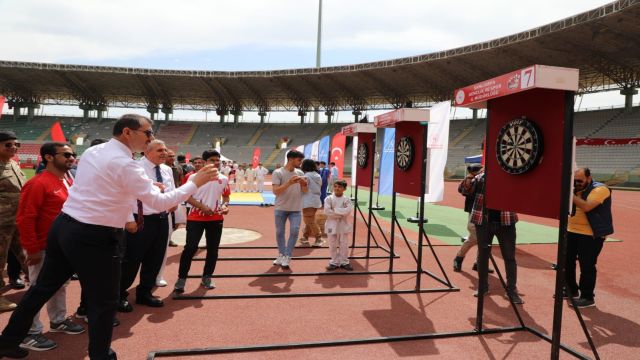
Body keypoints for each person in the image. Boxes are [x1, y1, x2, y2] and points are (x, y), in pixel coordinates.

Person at [0, 114, 218, 360]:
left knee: (42, 288)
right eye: (148, 132)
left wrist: (144, 186)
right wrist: (195, 183)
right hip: (94, 234)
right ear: (128, 132)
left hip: (66, 226)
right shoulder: (126, 163)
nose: (151, 137)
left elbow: (107, 185)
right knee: (104, 301)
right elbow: (158, 203)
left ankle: (7, 341)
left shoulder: (96, 152)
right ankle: (100, 355)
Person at [16, 142, 85, 352]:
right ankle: (30, 331)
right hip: (43, 246)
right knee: (38, 288)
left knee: (60, 286)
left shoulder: (65, 181)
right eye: (66, 154)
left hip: (61, 246)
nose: (71, 158)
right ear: (48, 157)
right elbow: (25, 218)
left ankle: (57, 320)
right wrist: (32, 248)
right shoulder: (38, 183)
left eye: (72, 154)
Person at [118, 140, 176, 313]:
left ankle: (145, 292)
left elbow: (171, 191)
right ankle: (119, 295)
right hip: (140, 219)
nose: (164, 153)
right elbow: (125, 196)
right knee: (131, 259)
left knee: (155, 258)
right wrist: (128, 219)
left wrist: (174, 205)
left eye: (165, 150)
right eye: (159, 150)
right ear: (147, 152)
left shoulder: (167, 170)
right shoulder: (136, 168)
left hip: (162, 218)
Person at [462, 171, 523, 304]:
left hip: (506, 221)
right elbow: (464, 190)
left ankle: (511, 290)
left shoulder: (512, 174)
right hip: (484, 221)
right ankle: (483, 287)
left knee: (509, 256)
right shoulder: (481, 177)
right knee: (483, 256)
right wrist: (468, 179)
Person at [174, 150, 230, 293]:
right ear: (205, 162)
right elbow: (186, 196)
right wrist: (202, 207)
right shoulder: (193, 177)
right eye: (212, 160)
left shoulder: (223, 178)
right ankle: (181, 278)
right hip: (195, 217)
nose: (216, 163)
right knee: (190, 248)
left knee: (213, 249)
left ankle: (207, 276)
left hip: (216, 218)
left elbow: (226, 197)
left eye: (218, 160)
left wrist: (225, 206)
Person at [566, 167, 613, 308]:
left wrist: (569, 193)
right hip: (571, 230)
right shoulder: (574, 188)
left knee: (587, 265)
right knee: (567, 262)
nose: (577, 183)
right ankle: (571, 290)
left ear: (589, 177)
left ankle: (587, 296)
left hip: (591, 234)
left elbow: (587, 207)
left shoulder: (601, 189)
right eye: (574, 181)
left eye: (580, 180)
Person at [0, 130, 27, 312]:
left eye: (16, 144)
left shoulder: (13, 164)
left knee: (28, 255)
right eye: (8, 145)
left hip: (18, 221)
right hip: (1, 223)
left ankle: (40, 286)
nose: (14, 148)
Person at [453, 164, 493, 274]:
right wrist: (470, 177)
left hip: (488, 213)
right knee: (475, 238)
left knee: (486, 239)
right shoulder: (473, 179)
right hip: (474, 213)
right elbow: (463, 190)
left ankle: (479, 263)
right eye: (480, 170)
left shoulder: (487, 177)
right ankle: (459, 257)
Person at [271, 150, 307, 269]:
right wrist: (289, 183)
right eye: (299, 160)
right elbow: (276, 191)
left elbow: (305, 191)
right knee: (280, 232)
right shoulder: (278, 172)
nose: (300, 162)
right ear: (291, 159)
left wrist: (304, 184)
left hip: (296, 209)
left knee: (295, 231)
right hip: (281, 208)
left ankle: (287, 255)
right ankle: (281, 254)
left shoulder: (300, 172)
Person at [324, 180, 354, 271]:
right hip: (331, 224)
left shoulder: (347, 199)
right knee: (332, 243)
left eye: (339, 187)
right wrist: (341, 213)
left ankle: (344, 262)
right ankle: (334, 262)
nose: (337, 188)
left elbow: (348, 211)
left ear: (344, 189)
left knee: (344, 244)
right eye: (335, 186)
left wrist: (335, 210)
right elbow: (327, 212)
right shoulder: (328, 199)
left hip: (343, 224)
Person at [299, 159, 323, 247]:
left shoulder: (305, 176)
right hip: (316, 200)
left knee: (309, 220)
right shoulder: (317, 175)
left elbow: (304, 190)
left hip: (307, 200)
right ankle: (305, 237)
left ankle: (319, 237)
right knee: (310, 219)